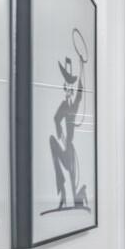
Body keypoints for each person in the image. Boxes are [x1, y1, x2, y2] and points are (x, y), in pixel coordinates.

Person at [49, 56, 87, 210]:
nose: (66, 90)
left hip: (69, 147)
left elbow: (79, 95)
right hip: (65, 144)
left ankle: (77, 195)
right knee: (52, 142)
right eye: (65, 87)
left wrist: (82, 69)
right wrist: (60, 135)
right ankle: (64, 194)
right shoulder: (64, 105)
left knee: (72, 176)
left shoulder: (72, 105)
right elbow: (56, 118)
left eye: (68, 88)